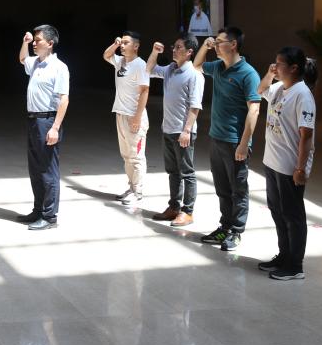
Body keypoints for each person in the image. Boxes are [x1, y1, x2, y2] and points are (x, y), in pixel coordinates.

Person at [192, 26, 261, 251]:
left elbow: (254, 110)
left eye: (219, 42)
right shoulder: (218, 67)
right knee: (222, 188)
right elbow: (197, 65)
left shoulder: (248, 74)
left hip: (235, 141)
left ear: (233, 44)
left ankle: (236, 231)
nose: (216, 46)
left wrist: (244, 143)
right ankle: (225, 226)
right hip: (217, 138)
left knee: (238, 189)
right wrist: (205, 46)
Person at [256, 47, 317, 280]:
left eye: (279, 63)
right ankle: (284, 256)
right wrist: (270, 74)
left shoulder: (303, 95)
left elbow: (306, 136)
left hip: (290, 166)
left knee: (293, 216)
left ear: (293, 68)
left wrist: (300, 168)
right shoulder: (279, 88)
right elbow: (260, 90)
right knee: (278, 212)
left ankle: (295, 265)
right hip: (273, 162)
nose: (275, 66)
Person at [146, 37, 204, 227]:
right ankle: (174, 207)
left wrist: (187, 130)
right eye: (174, 46)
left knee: (187, 172)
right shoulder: (170, 69)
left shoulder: (194, 75)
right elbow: (149, 69)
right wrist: (155, 52)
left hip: (183, 132)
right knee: (173, 172)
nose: (174, 49)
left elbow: (195, 106)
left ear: (189, 52)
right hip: (168, 129)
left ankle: (188, 211)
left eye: (178, 47)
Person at [17, 25, 70, 230]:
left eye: (38, 40)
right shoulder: (35, 63)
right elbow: (22, 59)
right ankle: (38, 210)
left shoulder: (59, 67)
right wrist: (25, 42)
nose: (35, 43)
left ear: (50, 43)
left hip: (47, 121)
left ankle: (49, 217)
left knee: (48, 171)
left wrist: (55, 128)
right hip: (33, 120)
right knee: (35, 169)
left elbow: (64, 99)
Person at [102, 31, 150, 206]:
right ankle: (131, 187)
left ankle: (138, 191)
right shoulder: (120, 61)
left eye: (125, 43)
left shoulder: (140, 65)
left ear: (136, 46)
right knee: (127, 155)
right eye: (121, 42)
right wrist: (115, 44)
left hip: (134, 116)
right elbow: (106, 55)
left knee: (136, 156)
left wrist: (137, 117)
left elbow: (144, 91)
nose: (122, 45)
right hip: (121, 114)